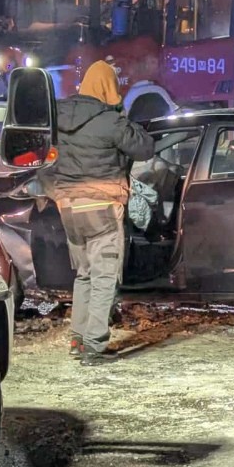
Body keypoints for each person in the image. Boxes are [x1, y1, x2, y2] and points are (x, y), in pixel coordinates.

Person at [52, 59, 154, 366]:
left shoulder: (60, 115)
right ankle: (94, 348)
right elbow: (145, 148)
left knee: (84, 276)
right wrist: (121, 114)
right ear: (108, 87)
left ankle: (78, 340)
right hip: (102, 211)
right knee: (104, 278)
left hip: (70, 210)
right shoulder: (111, 122)